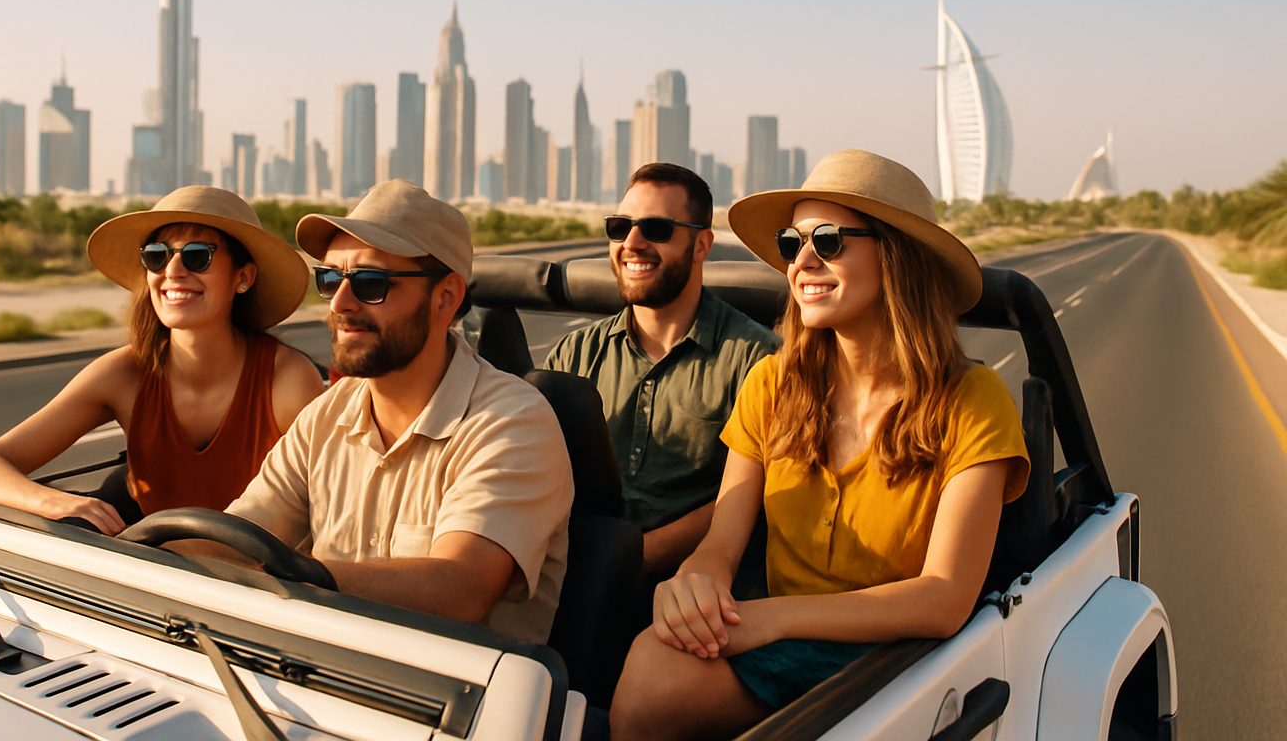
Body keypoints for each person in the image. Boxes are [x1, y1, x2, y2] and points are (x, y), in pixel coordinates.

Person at [610, 150, 1031, 741]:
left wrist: (774, 618)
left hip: (899, 656)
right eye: (792, 243)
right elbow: (721, 544)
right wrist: (694, 582)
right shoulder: (772, 382)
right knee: (648, 673)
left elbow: (943, 599)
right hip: (781, 644)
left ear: (898, 257)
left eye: (828, 241)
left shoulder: (972, 399)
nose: (802, 261)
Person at [219, 179, 573, 645]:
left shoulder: (512, 423)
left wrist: (286, 575)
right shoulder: (325, 417)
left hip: (453, 684)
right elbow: (239, 536)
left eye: (371, 283)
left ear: (445, 298)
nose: (340, 304)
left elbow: (460, 589)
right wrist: (142, 548)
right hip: (316, 668)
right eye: (330, 280)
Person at [0, 186, 324, 535]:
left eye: (196, 256)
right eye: (156, 256)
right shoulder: (124, 373)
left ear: (243, 277)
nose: (173, 271)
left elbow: (325, 513)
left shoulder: (286, 379)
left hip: (254, 580)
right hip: (144, 574)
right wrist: (54, 502)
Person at [544, 162, 777, 578]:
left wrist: (636, 558)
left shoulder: (757, 360)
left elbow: (761, 493)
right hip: (571, 573)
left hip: (696, 585)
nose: (632, 243)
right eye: (620, 227)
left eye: (657, 229)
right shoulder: (573, 355)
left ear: (701, 245)